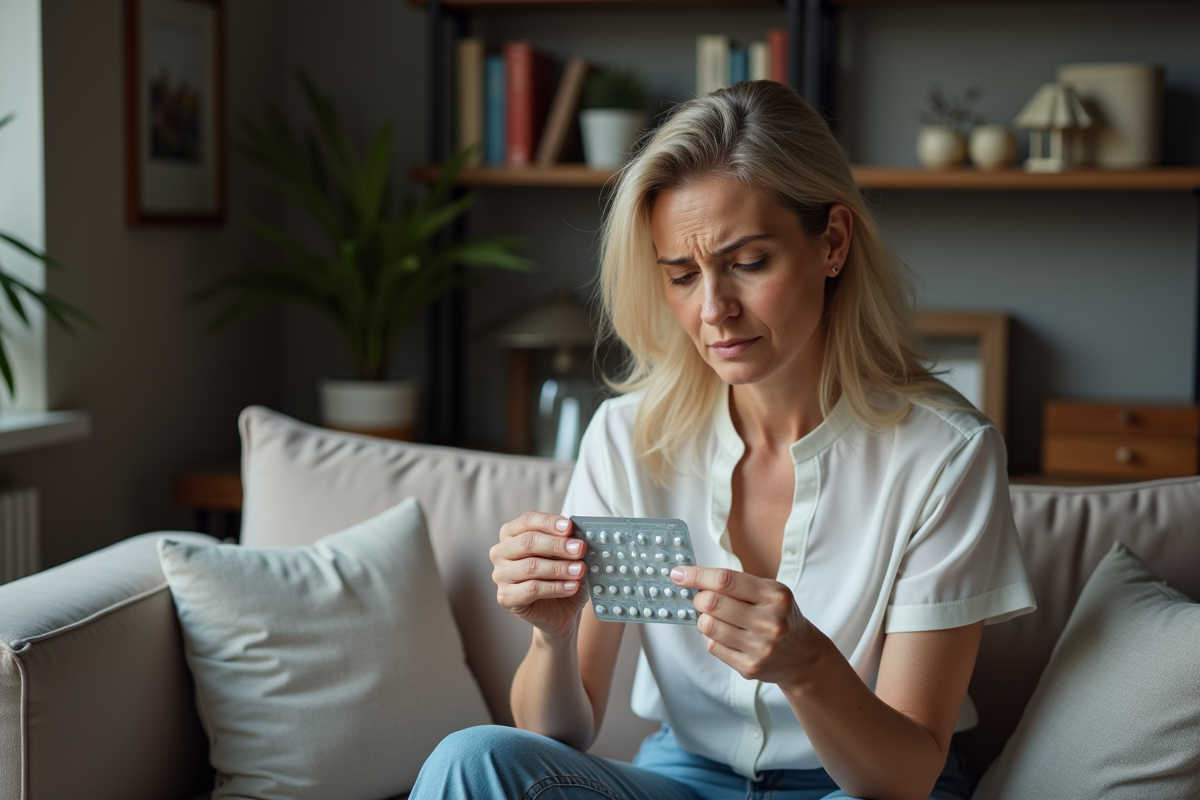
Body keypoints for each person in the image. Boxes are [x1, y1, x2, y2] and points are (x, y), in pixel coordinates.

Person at [410, 80, 1036, 800]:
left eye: (747, 263)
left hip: (859, 788)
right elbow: (557, 736)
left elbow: (904, 776)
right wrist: (552, 633)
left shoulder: (948, 454)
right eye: (681, 275)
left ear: (832, 242)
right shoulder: (627, 436)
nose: (713, 311)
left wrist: (809, 668)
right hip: (684, 778)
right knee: (472, 759)